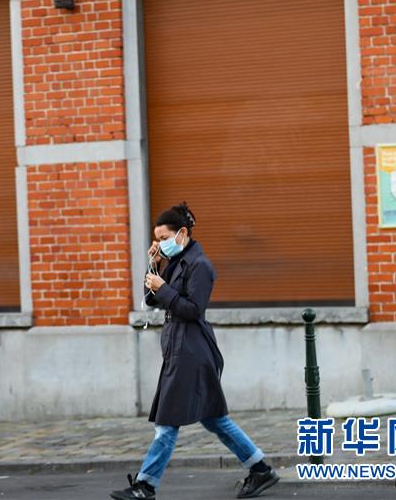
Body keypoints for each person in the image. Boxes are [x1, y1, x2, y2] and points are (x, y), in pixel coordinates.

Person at [110, 202, 279, 500]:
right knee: (214, 419)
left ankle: (145, 485)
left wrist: (163, 287)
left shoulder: (200, 266)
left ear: (182, 234)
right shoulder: (175, 263)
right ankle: (260, 468)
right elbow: (151, 300)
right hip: (179, 348)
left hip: (192, 351)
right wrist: (154, 265)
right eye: (157, 239)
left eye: (164, 238)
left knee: (166, 424)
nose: (160, 243)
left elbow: (193, 309)